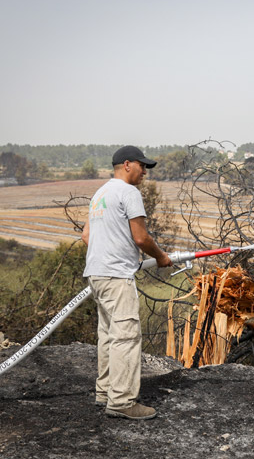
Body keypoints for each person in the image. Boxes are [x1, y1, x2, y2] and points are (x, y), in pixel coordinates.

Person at [81, 145, 172, 420]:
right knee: (126, 336)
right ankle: (121, 402)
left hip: (96, 273)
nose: (145, 171)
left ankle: (104, 392)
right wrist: (162, 257)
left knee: (108, 334)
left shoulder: (100, 193)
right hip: (116, 277)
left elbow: (87, 235)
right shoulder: (129, 192)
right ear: (127, 164)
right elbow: (142, 238)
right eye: (142, 166)